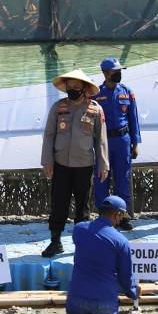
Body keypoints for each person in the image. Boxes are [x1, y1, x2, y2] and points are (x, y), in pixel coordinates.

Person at [40, 69, 109, 258]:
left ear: (85, 88)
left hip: (84, 165)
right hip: (61, 164)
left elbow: (100, 140)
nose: (73, 89)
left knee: (83, 206)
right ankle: (55, 242)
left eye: (77, 87)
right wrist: (47, 161)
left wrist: (103, 163)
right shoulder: (58, 107)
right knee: (58, 203)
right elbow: (49, 135)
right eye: (70, 86)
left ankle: (83, 244)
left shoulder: (95, 109)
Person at [66, 196, 138, 314]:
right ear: (117, 215)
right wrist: (134, 292)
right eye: (121, 217)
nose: (120, 221)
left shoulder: (78, 229)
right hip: (104, 306)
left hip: (75, 304)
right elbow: (126, 276)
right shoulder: (121, 241)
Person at [91, 57, 141, 231]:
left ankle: (123, 217)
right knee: (101, 178)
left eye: (120, 71)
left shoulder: (126, 92)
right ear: (105, 73)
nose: (119, 74)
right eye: (115, 71)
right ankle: (103, 217)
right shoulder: (96, 93)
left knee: (123, 178)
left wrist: (135, 143)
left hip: (122, 140)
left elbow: (133, 119)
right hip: (103, 142)